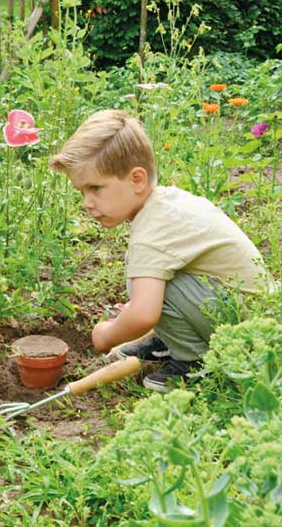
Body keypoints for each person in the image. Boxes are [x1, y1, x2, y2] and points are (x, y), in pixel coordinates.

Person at [49, 110, 276, 392]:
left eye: (96, 188)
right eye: (81, 192)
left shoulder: (151, 232)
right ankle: (175, 340)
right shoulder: (166, 203)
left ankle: (196, 361)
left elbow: (144, 314)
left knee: (145, 283)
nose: (87, 203)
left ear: (137, 179)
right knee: (150, 275)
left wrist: (107, 335)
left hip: (248, 336)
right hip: (254, 315)